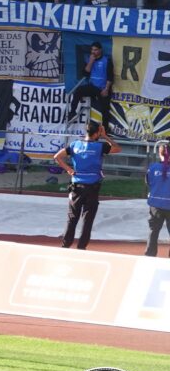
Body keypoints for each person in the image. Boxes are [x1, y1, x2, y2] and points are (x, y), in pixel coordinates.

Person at [56, 119, 116, 250]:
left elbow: (57, 157)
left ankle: (65, 246)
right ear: (97, 133)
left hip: (76, 187)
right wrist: (105, 136)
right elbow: (118, 148)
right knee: (87, 221)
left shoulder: (74, 145)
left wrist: (69, 169)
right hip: (92, 188)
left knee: (72, 218)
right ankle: (81, 248)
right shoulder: (100, 146)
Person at [68, 42, 114, 130]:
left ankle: (105, 130)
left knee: (105, 110)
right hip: (92, 86)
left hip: (102, 88)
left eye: (95, 50)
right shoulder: (90, 59)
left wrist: (106, 89)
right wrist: (91, 61)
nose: (93, 52)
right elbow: (85, 73)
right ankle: (72, 111)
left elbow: (110, 76)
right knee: (79, 90)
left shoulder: (106, 60)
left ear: (100, 50)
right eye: (92, 50)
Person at [146, 140, 170, 257]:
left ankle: (149, 257)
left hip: (156, 205)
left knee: (153, 232)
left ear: (160, 154)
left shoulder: (153, 167)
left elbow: (149, 182)